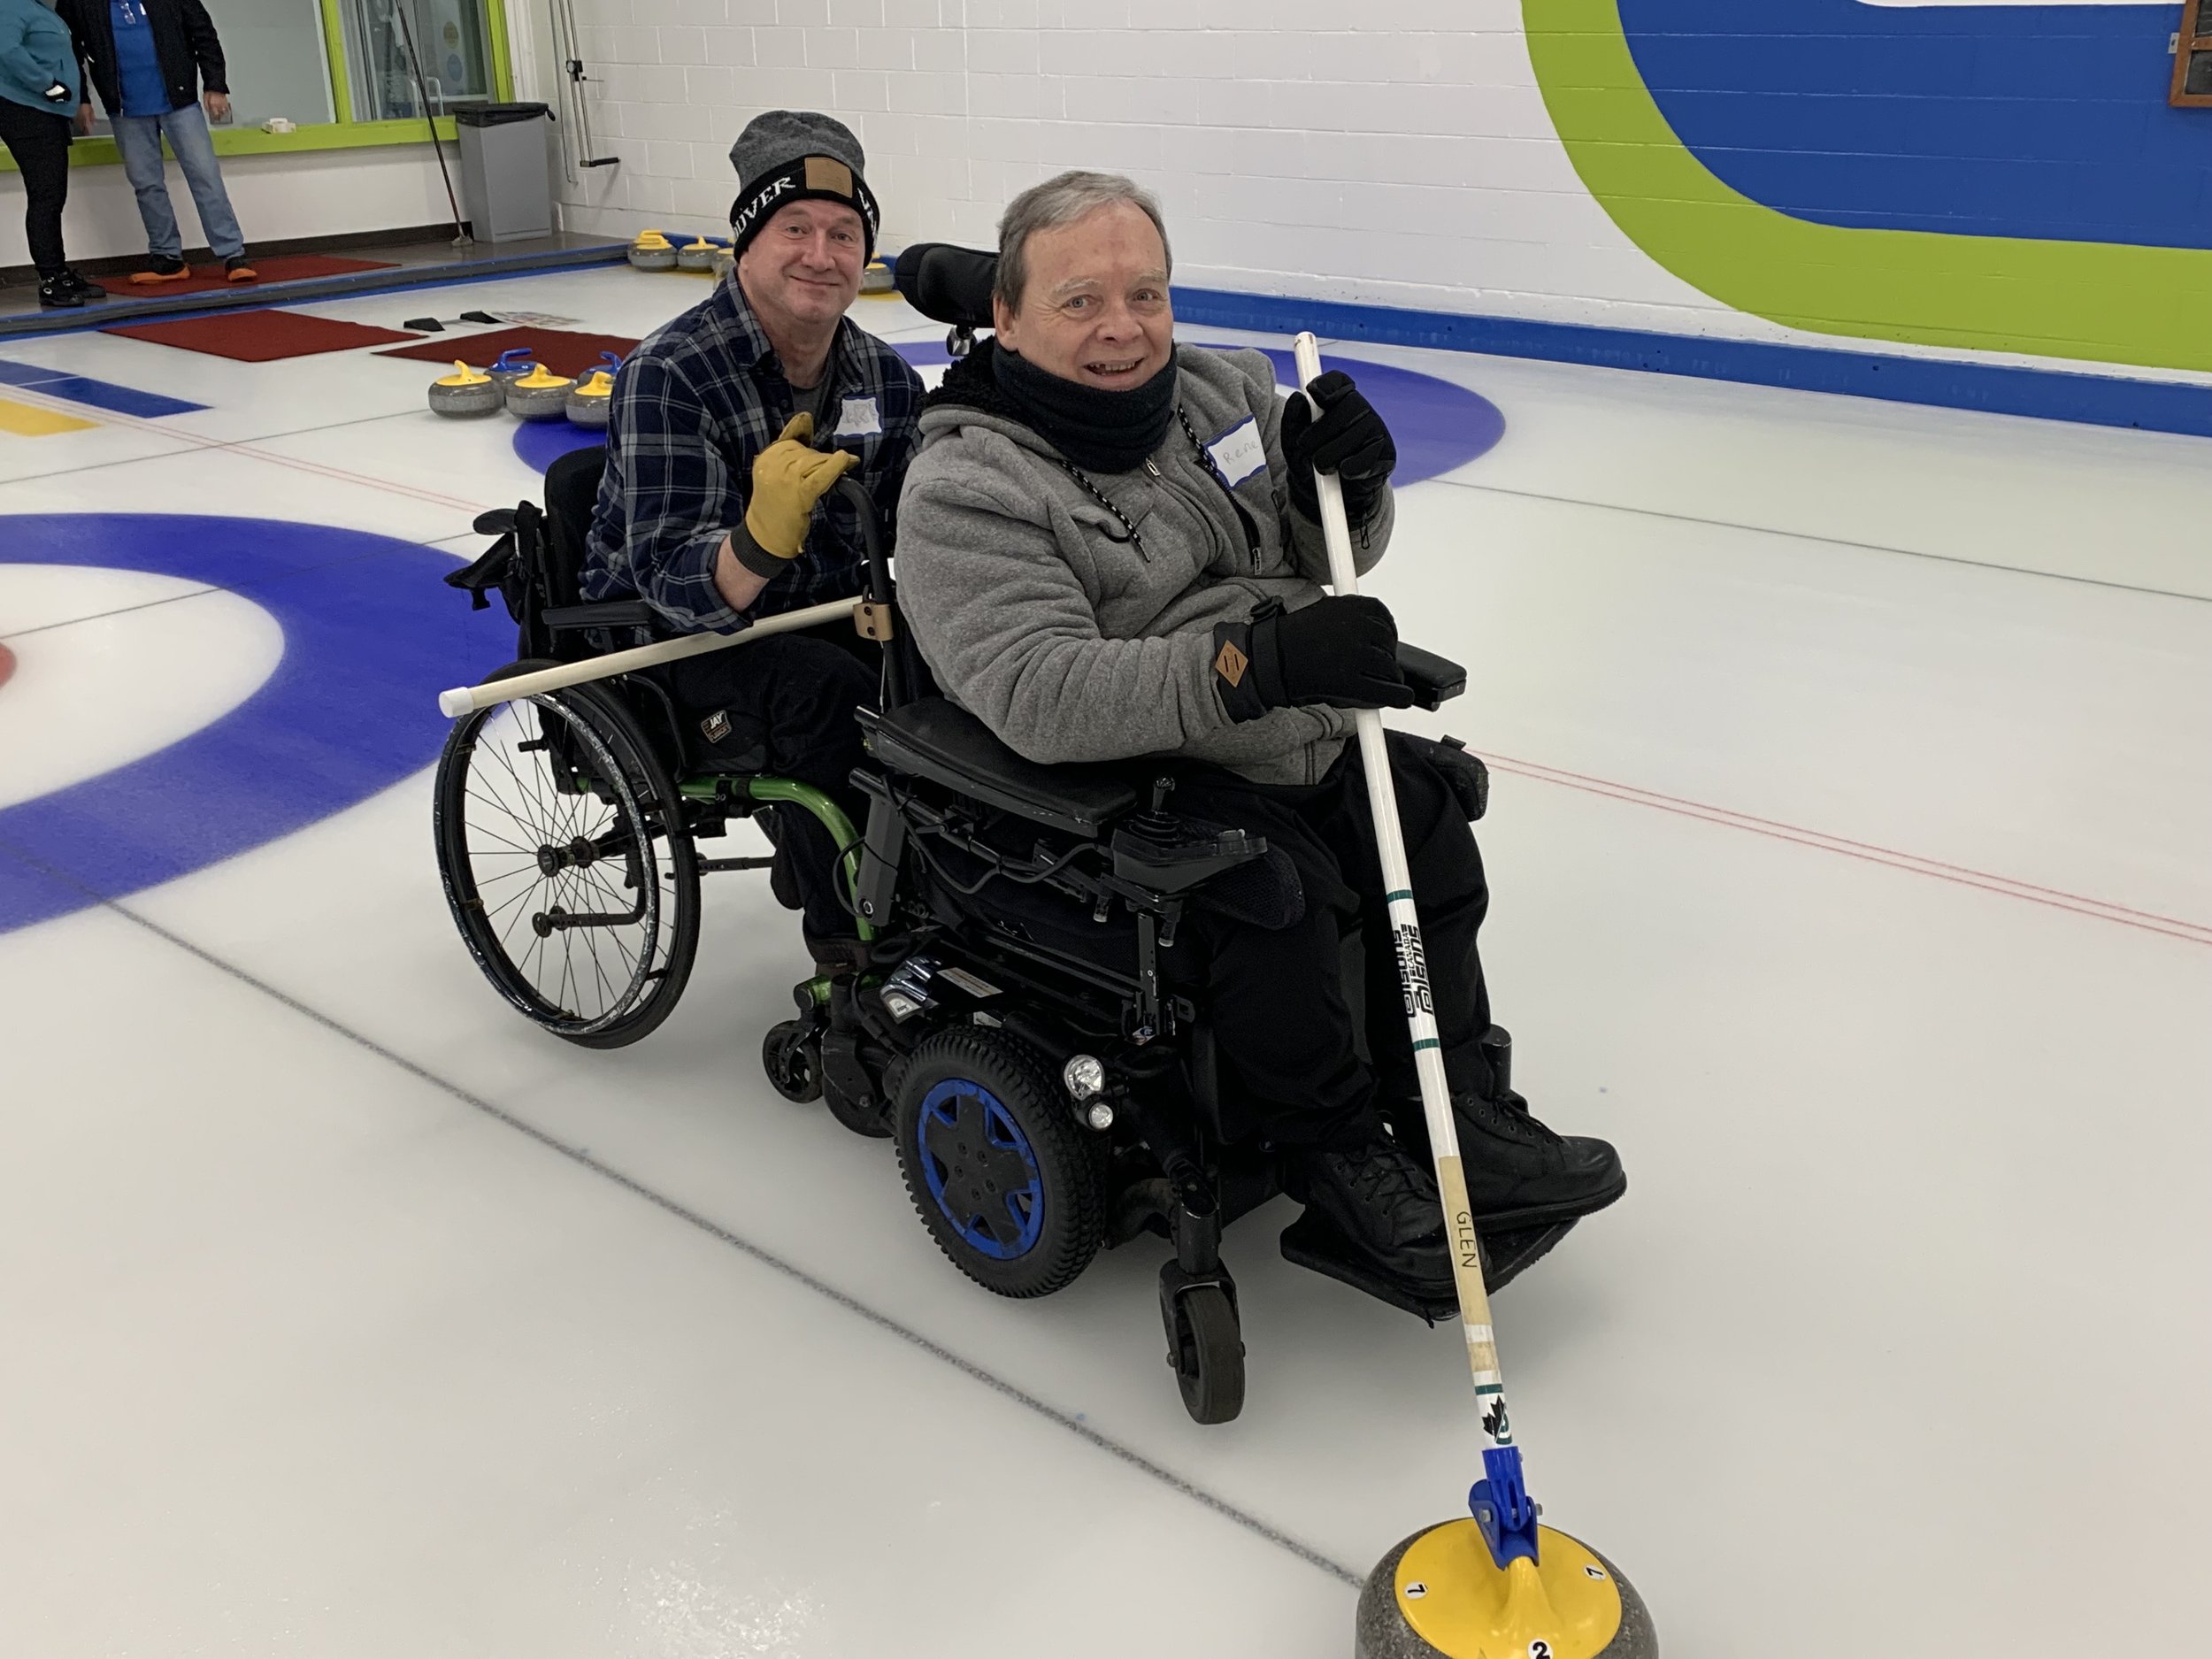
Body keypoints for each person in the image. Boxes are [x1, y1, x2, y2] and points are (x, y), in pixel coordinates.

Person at [893, 171, 1624, 1303]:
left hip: (1286, 722)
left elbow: (1328, 555)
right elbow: (1036, 690)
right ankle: (1333, 1153)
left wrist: (1358, 487)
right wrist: (1257, 666)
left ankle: (1459, 1106)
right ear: (1007, 315)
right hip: (1136, 766)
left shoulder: (1221, 395)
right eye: (1079, 301)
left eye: (1146, 293)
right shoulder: (966, 487)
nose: (1121, 328)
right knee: (1271, 897)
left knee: (1425, 823)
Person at [583, 110, 923, 968]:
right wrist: (761, 540)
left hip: (818, 608)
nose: (821, 254)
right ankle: (857, 956)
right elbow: (670, 581)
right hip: (663, 634)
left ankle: (939, 889)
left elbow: (923, 524)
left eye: (844, 234)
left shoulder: (882, 375)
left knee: (941, 672)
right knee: (830, 698)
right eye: (795, 228)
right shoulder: (669, 372)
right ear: (745, 244)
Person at [58, 0, 253, 282]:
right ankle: (167, 257)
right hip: (125, 109)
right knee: (146, 184)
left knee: (205, 176)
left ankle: (233, 254)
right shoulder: (81, 3)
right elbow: (69, 49)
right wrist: (81, 98)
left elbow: (204, 34)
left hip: (180, 103)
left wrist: (215, 84)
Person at [0, 0, 98, 307]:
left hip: (47, 113)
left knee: (52, 196)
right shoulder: (10, 5)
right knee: (46, 196)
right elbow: (6, 50)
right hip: (26, 110)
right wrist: (48, 85)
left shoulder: (41, 8)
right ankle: (51, 279)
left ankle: (60, 273)